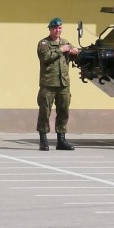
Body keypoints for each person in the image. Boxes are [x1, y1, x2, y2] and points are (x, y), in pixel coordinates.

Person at [37, 17, 78, 151]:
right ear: (50, 29)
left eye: (60, 28)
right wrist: (61, 50)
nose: (57, 30)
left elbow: (75, 54)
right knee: (45, 112)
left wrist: (75, 51)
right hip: (48, 83)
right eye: (55, 28)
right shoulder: (44, 43)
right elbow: (45, 57)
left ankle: (61, 140)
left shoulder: (65, 42)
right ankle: (43, 140)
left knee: (63, 111)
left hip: (63, 83)